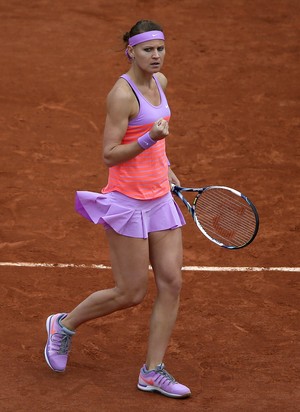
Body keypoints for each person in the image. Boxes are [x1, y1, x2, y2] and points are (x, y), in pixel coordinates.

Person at [44, 19, 191, 399]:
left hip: (159, 196)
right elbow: (110, 155)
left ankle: (152, 371)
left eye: (160, 48)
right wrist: (148, 138)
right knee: (130, 292)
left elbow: (159, 142)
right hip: (127, 202)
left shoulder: (161, 83)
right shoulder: (121, 95)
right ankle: (64, 325)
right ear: (131, 51)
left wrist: (167, 167)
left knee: (172, 282)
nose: (156, 56)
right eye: (148, 50)